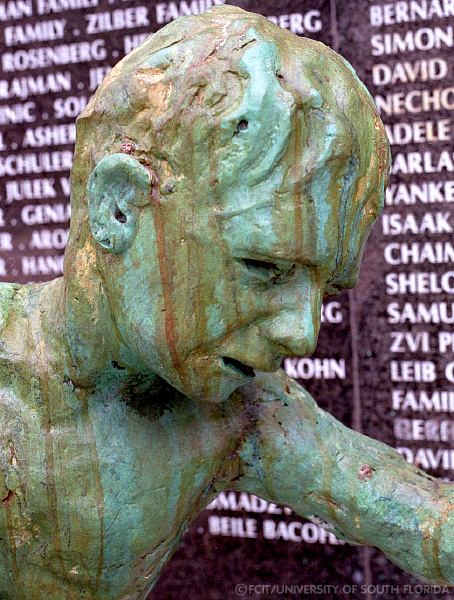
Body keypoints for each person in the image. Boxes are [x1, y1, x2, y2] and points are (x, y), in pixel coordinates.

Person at [0, 6, 451, 599]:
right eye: (264, 267)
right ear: (119, 208)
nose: (303, 333)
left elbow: (426, 521)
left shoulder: (239, 416)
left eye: (326, 290)